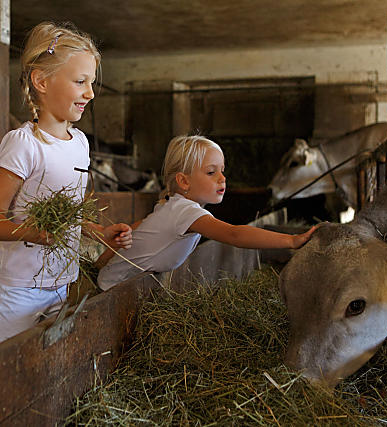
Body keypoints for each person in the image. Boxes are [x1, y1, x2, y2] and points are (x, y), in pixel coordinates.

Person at [0, 22, 132, 343]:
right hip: (19, 289)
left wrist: (101, 233)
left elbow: (71, 214)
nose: (90, 92)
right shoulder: (23, 144)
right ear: (41, 81)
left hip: (63, 283)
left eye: (91, 82)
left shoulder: (81, 143)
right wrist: (36, 233)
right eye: (80, 81)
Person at [97, 135, 316, 290]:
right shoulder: (185, 211)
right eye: (211, 172)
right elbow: (234, 235)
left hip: (113, 284)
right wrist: (291, 240)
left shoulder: (172, 204)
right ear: (183, 181)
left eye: (222, 170)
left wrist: (100, 262)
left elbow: (138, 227)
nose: (222, 178)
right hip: (113, 288)